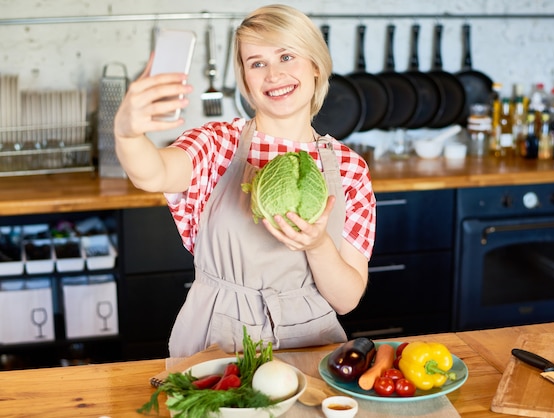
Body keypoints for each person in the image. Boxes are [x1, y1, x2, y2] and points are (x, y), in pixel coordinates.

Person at [113, 4, 376, 357]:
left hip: (311, 344)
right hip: (216, 341)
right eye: (256, 62)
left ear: (315, 65)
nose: (273, 74)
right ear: (245, 79)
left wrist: (317, 246)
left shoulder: (348, 168)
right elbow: (152, 173)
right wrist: (128, 134)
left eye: (286, 55)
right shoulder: (216, 143)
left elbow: (346, 300)